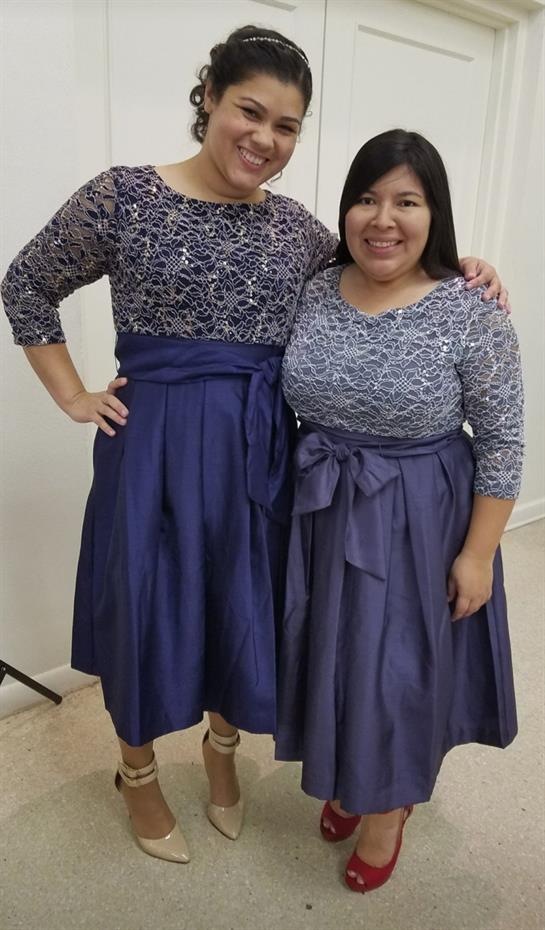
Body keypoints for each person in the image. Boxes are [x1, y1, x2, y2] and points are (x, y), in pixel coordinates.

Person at [1, 24, 505, 865]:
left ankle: (221, 752)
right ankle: (136, 775)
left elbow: (381, 257)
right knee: (145, 602)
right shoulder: (122, 196)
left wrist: (467, 266)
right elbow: (26, 285)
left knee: (246, 603)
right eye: (250, 111)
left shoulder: (300, 232)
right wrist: (71, 393)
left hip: (260, 445)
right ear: (208, 99)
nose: (265, 139)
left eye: (287, 126)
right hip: (153, 444)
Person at [275, 129, 523, 894]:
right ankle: (353, 774)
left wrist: (476, 553)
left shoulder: (468, 306)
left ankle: (389, 807)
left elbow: (505, 438)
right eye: (366, 198)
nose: (382, 219)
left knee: (396, 669)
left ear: (433, 213)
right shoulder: (316, 284)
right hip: (320, 504)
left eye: (406, 201)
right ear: (345, 209)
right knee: (332, 653)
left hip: (417, 513)